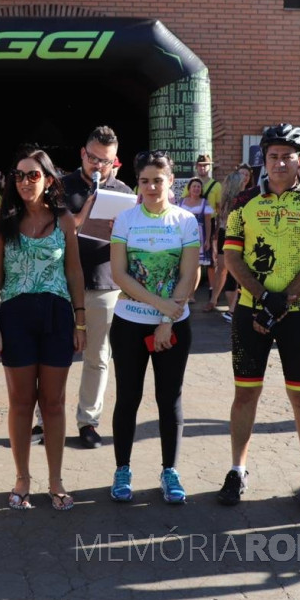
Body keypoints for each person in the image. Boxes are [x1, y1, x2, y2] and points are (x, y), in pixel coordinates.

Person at [218, 124, 300, 513]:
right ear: (263, 160)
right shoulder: (243, 202)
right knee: (245, 393)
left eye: (288, 156)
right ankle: (237, 469)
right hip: (252, 312)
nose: (280, 162)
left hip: (298, 315)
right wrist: (264, 296)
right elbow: (231, 256)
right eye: (273, 156)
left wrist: (284, 299)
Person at [0, 148, 85, 511]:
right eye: (19, 175)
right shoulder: (3, 221)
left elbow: (74, 272)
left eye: (33, 175)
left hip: (58, 317)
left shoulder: (64, 220)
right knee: (21, 403)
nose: (25, 182)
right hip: (15, 318)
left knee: (54, 403)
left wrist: (80, 320)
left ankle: (56, 480)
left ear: (48, 180)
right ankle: (22, 478)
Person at [108, 151, 200, 504]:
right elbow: (119, 274)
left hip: (173, 327)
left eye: (157, 180)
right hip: (129, 322)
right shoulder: (125, 220)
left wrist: (165, 320)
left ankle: (169, 471)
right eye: (144, 180)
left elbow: (190, 275)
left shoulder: (185, 221)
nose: (150, 187)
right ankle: (122, 469)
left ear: (170, 181)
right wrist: (163, 307)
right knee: (127, 398)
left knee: (169, 398)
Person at [57, 126, 134, 450]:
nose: (97, 165)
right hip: (63, 285)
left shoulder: (123, 192)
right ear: (82, 154)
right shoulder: (62, 187)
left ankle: (88, 421)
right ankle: (44, 418)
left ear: (114, 162)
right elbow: (52, 231)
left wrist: (123, 231)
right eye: (92, 158)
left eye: (105, 161)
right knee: (54, 356)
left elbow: (133, 245)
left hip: (104, 285)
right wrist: (84, 210)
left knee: (98, 357)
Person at [206, 169, 249, 318]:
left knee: (227, 270)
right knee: (233, 271)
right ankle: (231, 309)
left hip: (227, 234)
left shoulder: (227, 199)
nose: (245, 181)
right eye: (242, 180)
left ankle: (230, 308)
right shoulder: (241, 200)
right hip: (236, 235)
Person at [178, 177, 214, 299]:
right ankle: (182, 292)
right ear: (189, 188)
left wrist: (207, 239)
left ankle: (191, 294)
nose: (196, 188)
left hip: (199, 236)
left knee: (196, 265)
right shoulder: (182, 202)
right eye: (194, 186)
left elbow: (208, 223)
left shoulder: (205, 202)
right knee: (183, 265)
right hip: (183, 236)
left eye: (198, 187)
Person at [193, 154, 221, 301]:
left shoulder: (216, 186)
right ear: (196, 167)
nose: (203, 167)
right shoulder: (192, 183)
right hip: (194, 226)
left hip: (210, 224)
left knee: (211, 262)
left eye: (205, 165)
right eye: (200, 165)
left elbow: (219, 207)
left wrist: (216, 231)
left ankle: (212, 292)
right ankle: (191, 293)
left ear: (210, 167)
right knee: (195, 260)